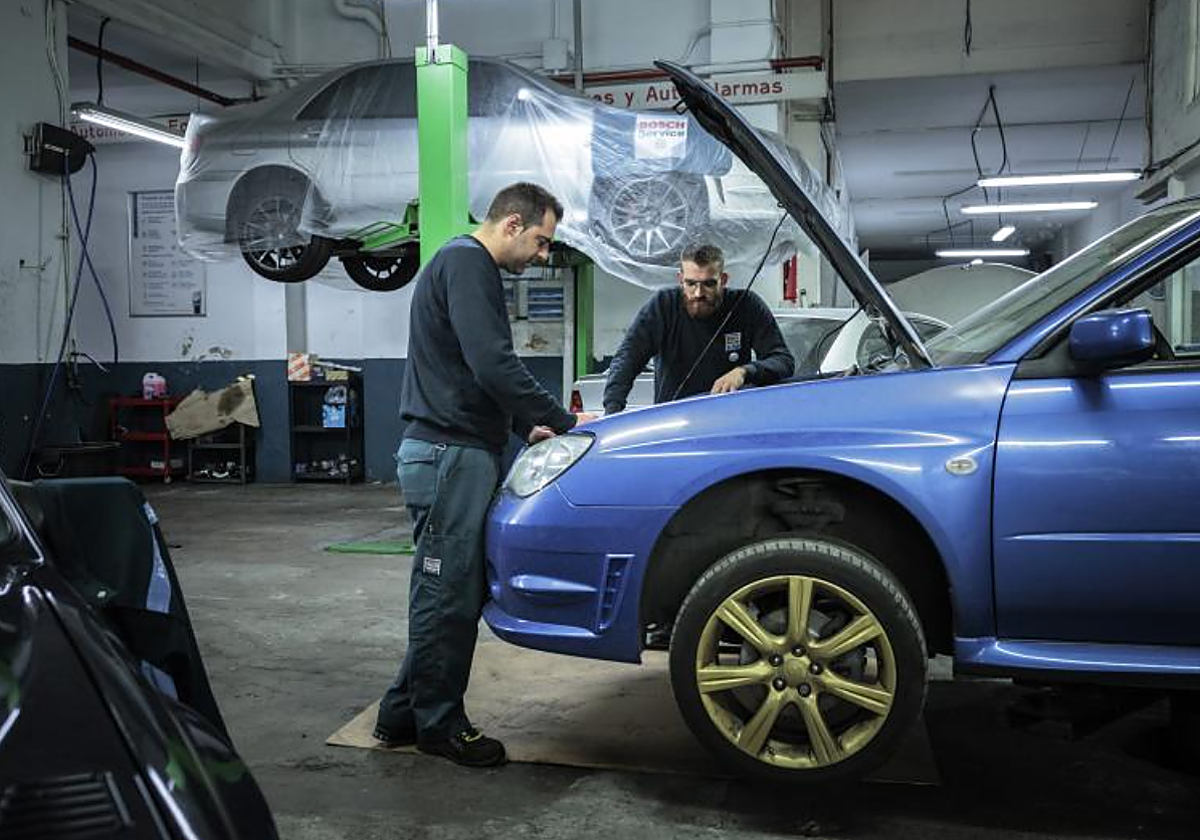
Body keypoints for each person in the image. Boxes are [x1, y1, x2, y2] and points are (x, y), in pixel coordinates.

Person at [374, 182, 594, 767]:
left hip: (455, 451)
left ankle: (401, 713)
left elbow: (470, 374)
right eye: (542, 243)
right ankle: (440, 726)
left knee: (450, 591)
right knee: (447, 594)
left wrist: (526, 431)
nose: (543, 257)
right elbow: (492, 363)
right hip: (449, 457)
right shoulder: (469, 264)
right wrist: (561, 420)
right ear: (513, 223)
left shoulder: (460, 265)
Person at [602, 243, 795, 414]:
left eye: (709, 284)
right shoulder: (663, 306)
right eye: (691, 283)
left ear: (724, 280)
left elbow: (783, 361)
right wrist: (612, 410)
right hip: (674, 423)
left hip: (731, 421)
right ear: (680, 279)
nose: (698, 293)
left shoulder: (746, 305)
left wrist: (744, 372)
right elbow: (627, 359)